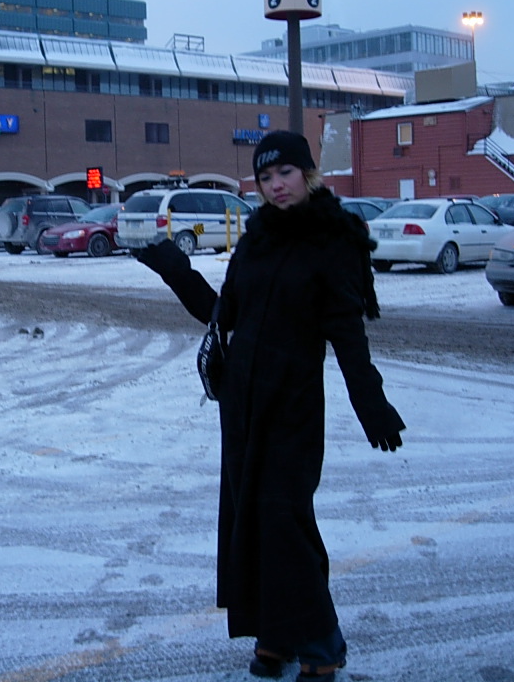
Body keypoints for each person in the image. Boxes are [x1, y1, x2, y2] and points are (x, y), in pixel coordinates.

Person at [137, 130, 406, 681]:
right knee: (249, 523)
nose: (276, 185)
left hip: (293, 406)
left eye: (285, 173)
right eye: (265, 177)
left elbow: (347, 336)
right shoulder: (257, 234)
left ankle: (323, 643)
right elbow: (223, 313)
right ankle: (275, 637)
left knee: (286, 523)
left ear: (307, 174)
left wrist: (370, 402)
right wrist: (174, 269)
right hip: (241, 404)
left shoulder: (332, 240)